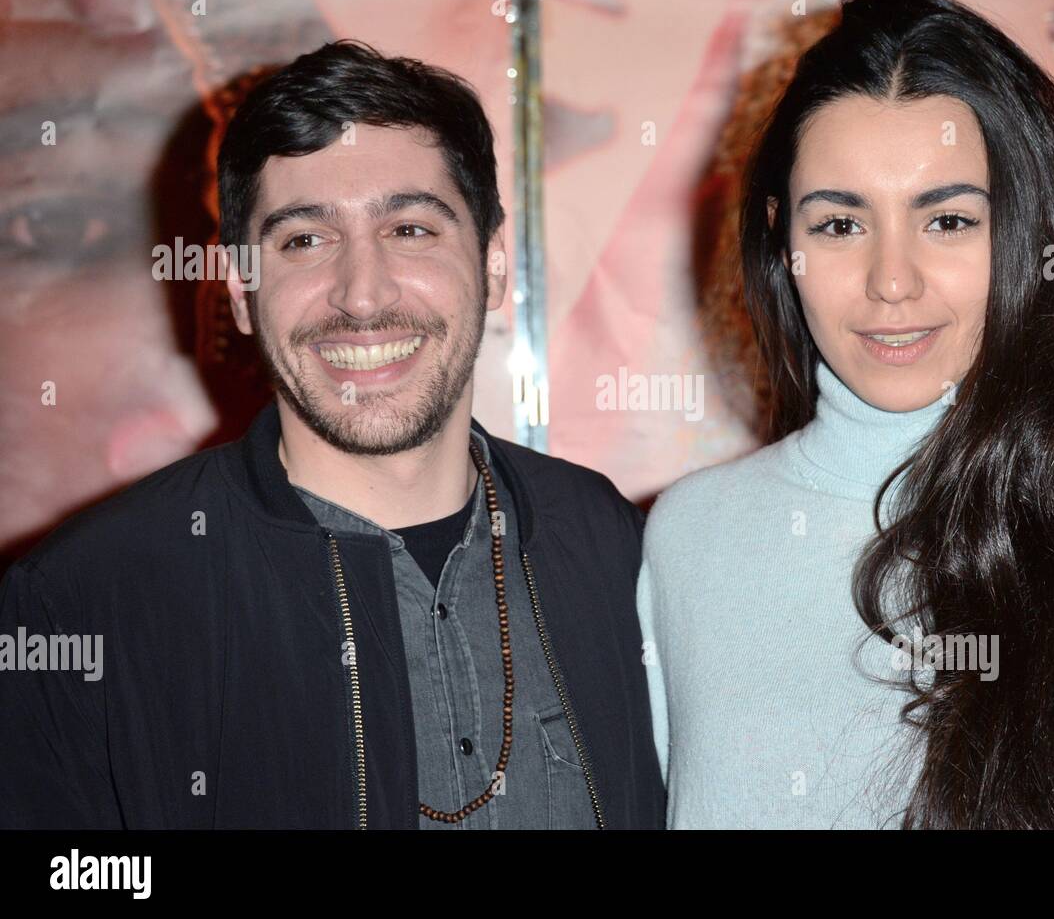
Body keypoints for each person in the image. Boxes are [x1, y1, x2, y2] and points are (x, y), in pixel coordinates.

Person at [635, 0, 1054, 829]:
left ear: (1021, 237)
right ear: (779, 239)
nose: (892, 281)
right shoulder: (691, 539)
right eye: (840, 225)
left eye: (946, 221)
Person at [0, 41, 663, 829]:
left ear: (491, 266)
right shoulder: (84, 601)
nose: (362, 295)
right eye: (304, 240)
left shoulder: (609, 543)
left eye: (411, 229)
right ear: (242, 292)